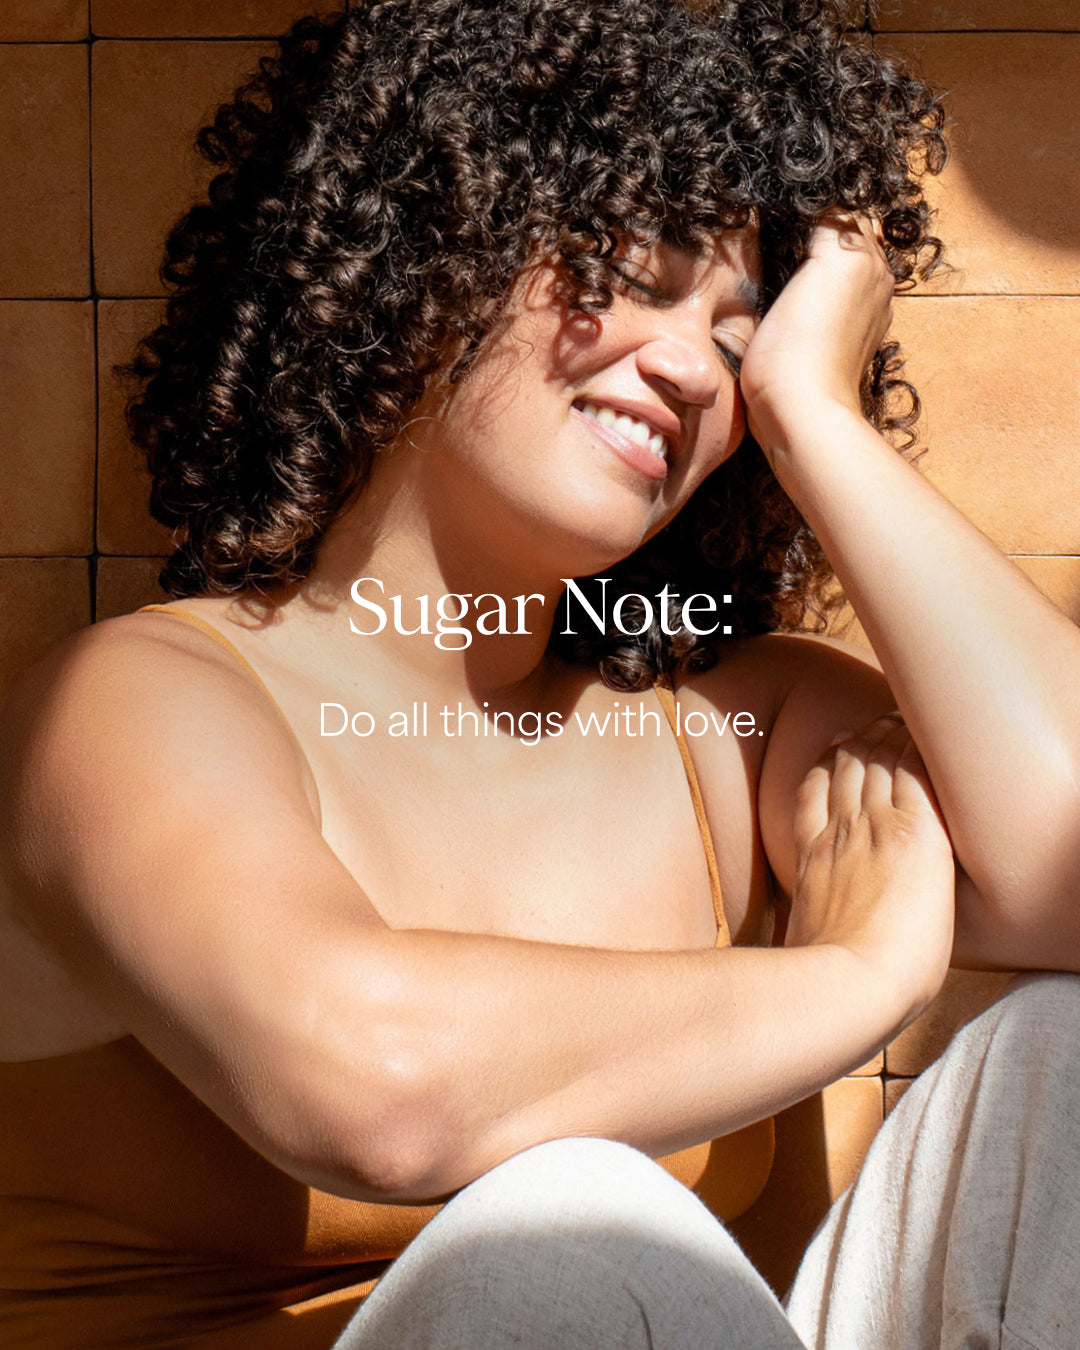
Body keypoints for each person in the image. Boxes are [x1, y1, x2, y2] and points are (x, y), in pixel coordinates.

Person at [2, 1, 1080, 1346]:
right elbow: (381, 1088)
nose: (691, 368)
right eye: (625, 272)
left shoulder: (731, 730)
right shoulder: (134, 704)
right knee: (565, 1227)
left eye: (737, 341)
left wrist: (817, 414)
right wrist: (862, 975)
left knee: (1061, 1063)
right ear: (429, 252)